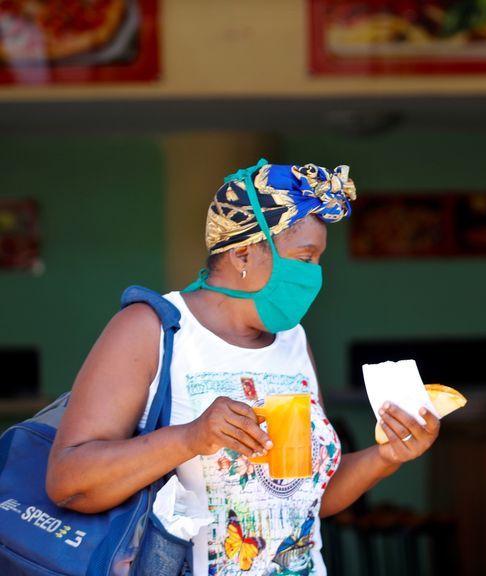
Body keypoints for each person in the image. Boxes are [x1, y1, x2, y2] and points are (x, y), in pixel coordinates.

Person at [45, 160, 440, 576]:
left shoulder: (294, 342)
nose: (315, 275)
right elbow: (69, 482)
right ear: (242, 253)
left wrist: (387, 456)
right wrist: (191, 437)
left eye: (318, 259)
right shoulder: (153, 330)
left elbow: (306, 500)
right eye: (304, 258)